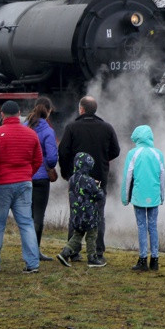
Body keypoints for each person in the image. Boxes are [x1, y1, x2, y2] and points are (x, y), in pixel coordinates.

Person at [0, 100, 43, 274]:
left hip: (1, 184)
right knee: (26, 223)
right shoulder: (31, 134)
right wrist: (27, 175)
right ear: (19, 113)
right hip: (24, 183)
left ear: (2, 114)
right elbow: (38, 160)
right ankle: (32, 263)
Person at [58, 96, 120, 264]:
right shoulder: (107, 128)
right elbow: (116, 151)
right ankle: (98, 252)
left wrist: (67, 173)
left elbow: (63, 152)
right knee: (98, 215)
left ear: (81, 109)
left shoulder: (72, 128)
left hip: (77, 181)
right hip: (99, 178)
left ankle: (73, 252)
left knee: (75, 214)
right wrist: (102, 160)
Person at [121, 125, 165, 272]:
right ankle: (155, 260)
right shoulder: (158, 154)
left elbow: (127, 177)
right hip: (154, 195)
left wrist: (125, 197)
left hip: (139, 195)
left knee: (141, 226)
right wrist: (162, 196)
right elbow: (162, 177)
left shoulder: (133, 153)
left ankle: (142, 259)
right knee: (153, 226)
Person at [56, 152, 106, 268]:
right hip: (89, 215)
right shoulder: (89, 181)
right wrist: (98, 187)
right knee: (92, 235)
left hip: (76, 215)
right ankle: (92, 258)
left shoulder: (72, 179)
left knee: (77, 235)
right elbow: (98, 195)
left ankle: (65, 253)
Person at [24, 97, 59, 261]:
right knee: (38, 216)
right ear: (48, 111)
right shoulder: (48, 131)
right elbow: (52, 159)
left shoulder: (24, 127)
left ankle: (28, 250)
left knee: (27, 215)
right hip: (41, 177)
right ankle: (35, 251)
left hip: (25, 176)